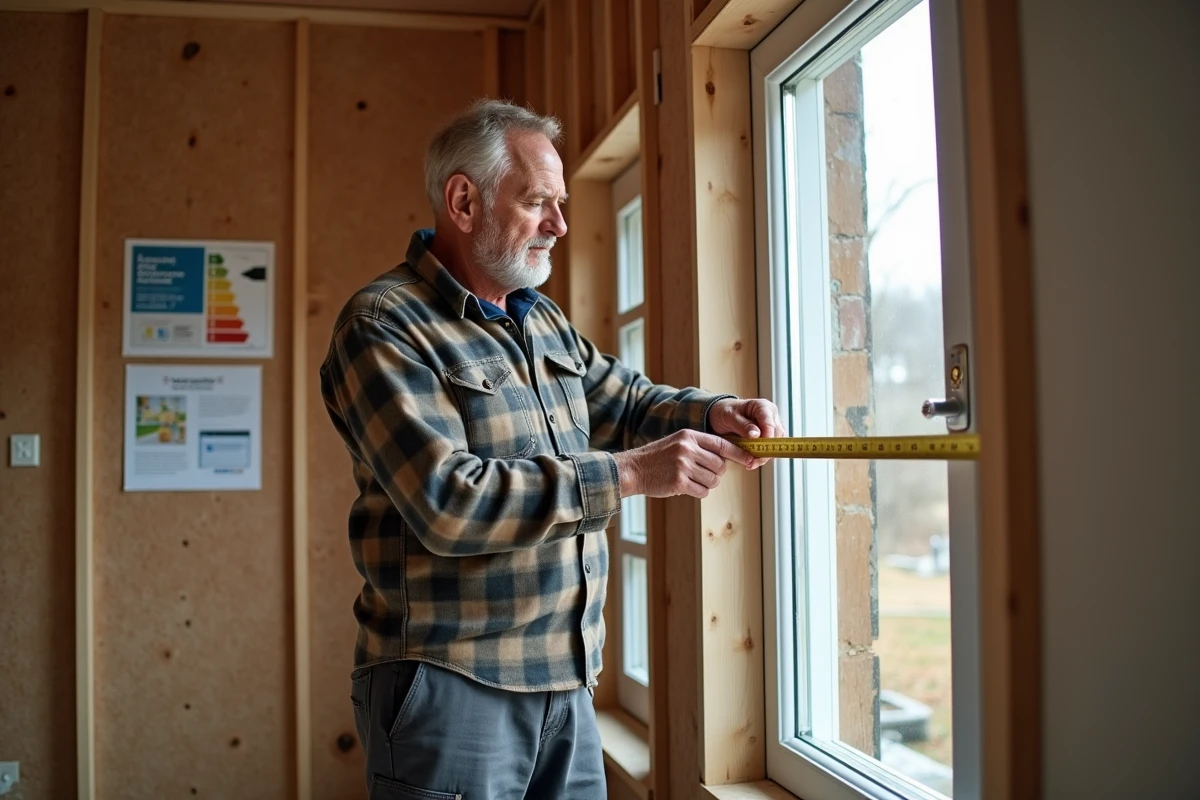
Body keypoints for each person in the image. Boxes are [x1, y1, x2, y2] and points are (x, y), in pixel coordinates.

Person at [319, 99, 783, 800]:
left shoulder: (542, 322)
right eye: (539, 202)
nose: (560, 226)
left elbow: (625, 402)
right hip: (451, 686)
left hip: (566, 682)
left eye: (560, 204)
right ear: (464, 200)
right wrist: (629, 474)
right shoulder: (385, 325)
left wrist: (714, 412)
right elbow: (449, 503)